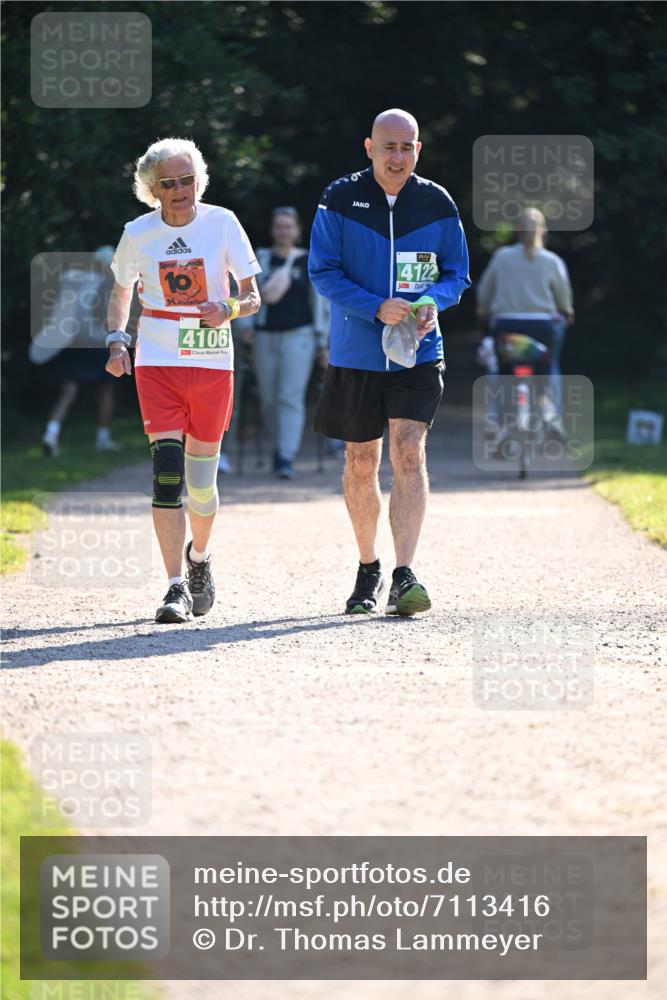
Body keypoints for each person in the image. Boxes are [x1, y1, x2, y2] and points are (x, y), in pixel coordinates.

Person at [308, 108, 470, 616]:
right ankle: (367, 565)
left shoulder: (437, 202)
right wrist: (374, 305)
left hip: (419, 351)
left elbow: (457, 273)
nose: (397, 156)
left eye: (406, 147)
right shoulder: (339, 198)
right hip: (357, 351)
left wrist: (431, 303)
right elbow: (323, 271)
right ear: (369, 148)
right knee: (361, 460)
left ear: (418, 150)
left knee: (408, 450)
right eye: (388, 146)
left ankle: (404, 574)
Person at [105, 137, 261, 623]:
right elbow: (120, 291)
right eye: (168, 183)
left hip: (212, 361)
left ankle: (199, 559)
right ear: (152, 189)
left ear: (200, 181)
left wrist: (229, 308)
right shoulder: (138, 232)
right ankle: (175, 586)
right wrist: (116, 340)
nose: (180, 191)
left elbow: (252, 296)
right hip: (158, 359)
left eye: (187, 180)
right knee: (167, 474)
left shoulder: (223, 223)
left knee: (201, 485)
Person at [476, 207, 574, 441]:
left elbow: (485, 290)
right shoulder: (552, 261)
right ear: (544, 232)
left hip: (507, 326)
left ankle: (498, 423)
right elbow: (563, 297)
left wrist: (484, 311)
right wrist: (566, 311)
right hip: (543, 328)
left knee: (502, 372)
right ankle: (551, 415)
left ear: (518, 232)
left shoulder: (502, 256)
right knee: (549, 368)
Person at [253, 207, 329, 479]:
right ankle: (278, 447)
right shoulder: (260, 259)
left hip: (301, 336)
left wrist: (323, 342)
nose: (283, 231)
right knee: (268, 399)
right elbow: (244, 294)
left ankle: (285, 455)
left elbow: (322, 305)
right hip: (264, 334)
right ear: (273, 230)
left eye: (288, 226)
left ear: (297, 230)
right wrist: (245, 329)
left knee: (290, 397)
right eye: (278, 226)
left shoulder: (309, 262)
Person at [37, 247, 121, 457]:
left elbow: (59, 315)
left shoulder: (75, 282)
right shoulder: (106, 285)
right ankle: (103, 439)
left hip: (74, 343)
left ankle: (51, 434)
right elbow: (102, 315)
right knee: (106, 390)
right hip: (98, 344)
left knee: (68, 393)